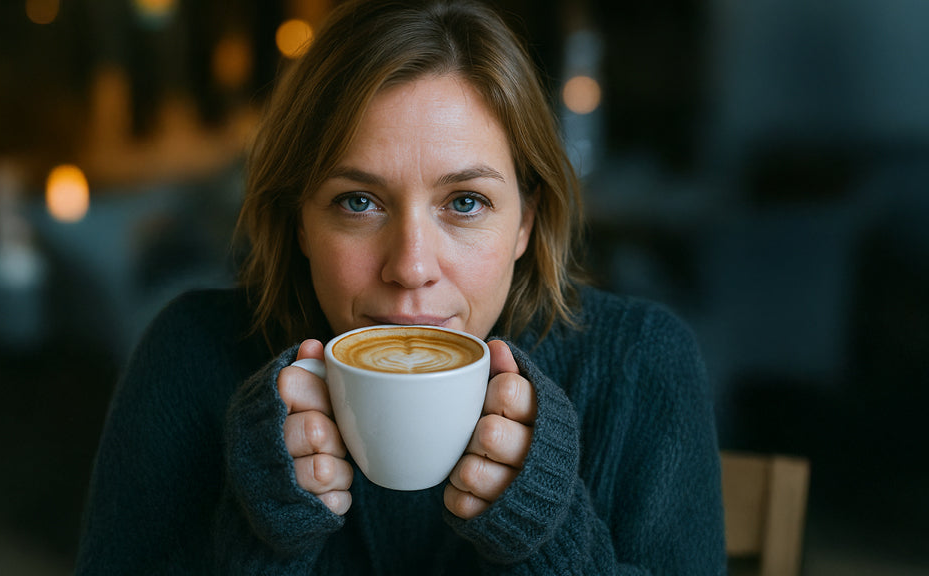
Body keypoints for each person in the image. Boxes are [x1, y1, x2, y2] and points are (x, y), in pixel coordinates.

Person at [74, 0, 726, 573]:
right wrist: (261, 537)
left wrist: (545, 534)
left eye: (465, 202)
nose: (411, 267)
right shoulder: (189, 355)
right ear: (300, 220)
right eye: (358, 202)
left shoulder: (641, 366)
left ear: (526, 221)